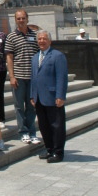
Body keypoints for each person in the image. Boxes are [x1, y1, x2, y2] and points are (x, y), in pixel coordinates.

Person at [31, 31, 68, 162]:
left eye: (44, 39)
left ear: (50, 41)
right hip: (39, 98)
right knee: (44, 126)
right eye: (39, 39)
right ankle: (49, 149)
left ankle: (58, 152)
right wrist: (32, 95)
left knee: (57, 126)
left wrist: (60, 96)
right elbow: (34, 78)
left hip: (53, 98)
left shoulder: (58, 56)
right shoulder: (35, 57)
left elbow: (61, 77)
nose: (41, 41)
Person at [5, 9, 40, 144]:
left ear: (27, 19)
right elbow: (9, 57)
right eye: (18, 18)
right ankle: (23, 132)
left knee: (32, 106)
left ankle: (32, 131)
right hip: (19, 76)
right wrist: (12, 76)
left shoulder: (34, 35)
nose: (21, 20)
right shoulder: (11, 36)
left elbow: (38, 55)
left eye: (23, 18)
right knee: (19, 106)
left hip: (32, 77)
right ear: (15, 20)